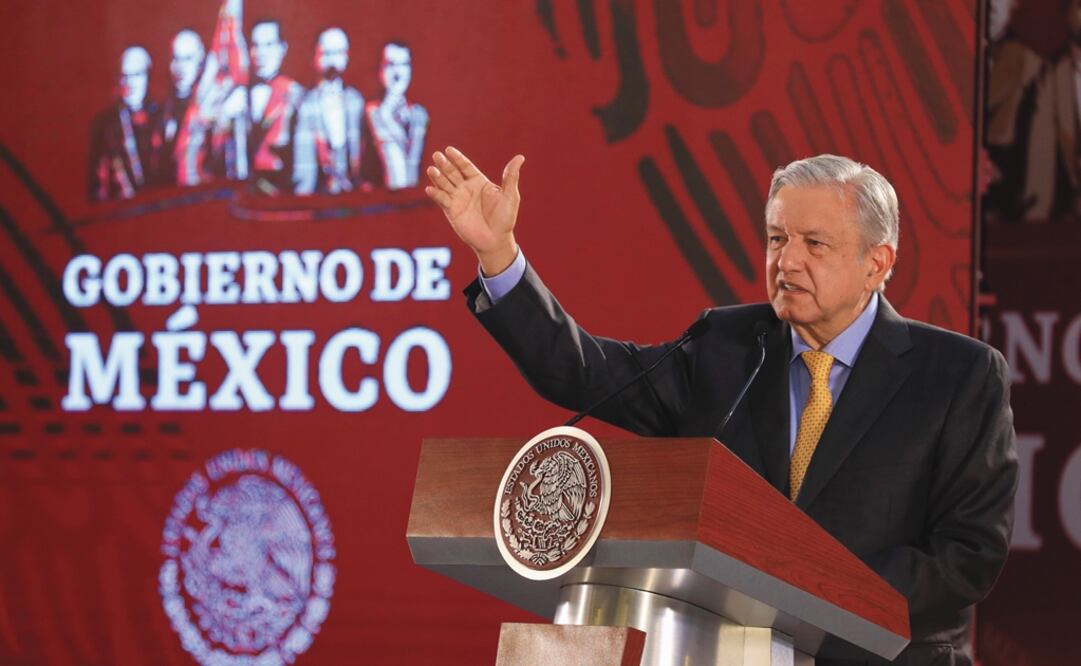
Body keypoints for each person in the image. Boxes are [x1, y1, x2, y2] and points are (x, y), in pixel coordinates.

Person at [424, 148, 1018, 665]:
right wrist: (500, 255)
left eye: (814, 244)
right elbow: (582, 371)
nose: (786, 261)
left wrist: (810, 600)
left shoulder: (957, 375)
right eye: (777, 238)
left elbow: (968, 555)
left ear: (877, 263)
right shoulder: (725, 346)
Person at [294, 27, 365, 195]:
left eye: (338, 53)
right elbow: (303, 167)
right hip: (318, 197)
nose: (333, 61)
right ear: (314, 57)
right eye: (326, 54)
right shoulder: (304, 105)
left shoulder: (356, 102)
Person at [88, 46, 158, 201]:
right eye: (125, 76)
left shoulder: (161, 116)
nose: (130, 83)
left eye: (137, 75)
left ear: (148, 76)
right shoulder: (104, 125)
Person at [363, 42, 428, 190]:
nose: (398, 73)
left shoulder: (420, 115)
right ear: (379, 69)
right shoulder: (371, 111)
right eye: (390, 64)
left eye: (404, 64)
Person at [153, 29, 206, 186]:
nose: (181, 67)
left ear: (200, 62)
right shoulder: (161, 111)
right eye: (176, 59)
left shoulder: (211, 110)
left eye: (188, 59)